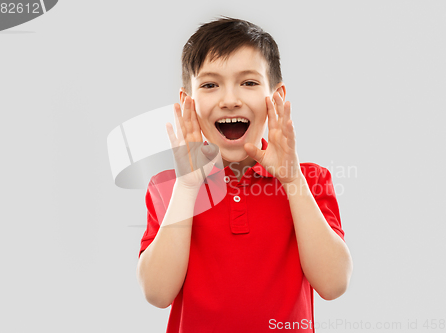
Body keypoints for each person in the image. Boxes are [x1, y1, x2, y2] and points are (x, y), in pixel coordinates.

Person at [136, 17, 353, 333]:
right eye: (210, 85)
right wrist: (188, 185)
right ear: (187, 103)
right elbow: (156, 293)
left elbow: (334, 284)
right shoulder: (169, 188)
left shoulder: (309, 180)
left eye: (248, 83)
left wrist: (292, 180)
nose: (229, 100)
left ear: (276, 98)